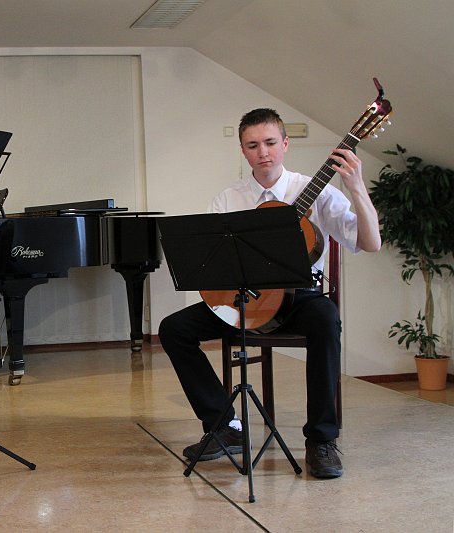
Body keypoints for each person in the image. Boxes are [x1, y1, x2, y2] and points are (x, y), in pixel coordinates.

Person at [158, 108, 381, 479]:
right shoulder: (227, 199)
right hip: (243, 299)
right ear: (243, 151)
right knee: (173, 328)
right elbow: (211, 263)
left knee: (326, 320)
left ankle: (322, 440)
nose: (263, 152)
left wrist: (356, 187)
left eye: (270, 142)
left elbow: (371, 243)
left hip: (299, 299)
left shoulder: (316, 190)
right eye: (253, 145)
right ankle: (224, 426)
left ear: (286, 144)